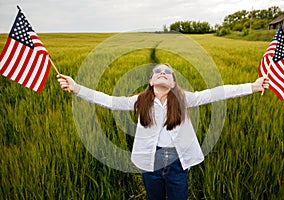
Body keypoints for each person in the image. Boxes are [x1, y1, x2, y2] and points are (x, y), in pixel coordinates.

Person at [57, 63, 269, 200]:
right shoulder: (140, 102)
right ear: (150, 81)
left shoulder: (184, 99)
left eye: (168, 72)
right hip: (150, 162)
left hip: (178, 162)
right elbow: (110, 101)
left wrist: (253, 86)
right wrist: (77, 88)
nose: (162, 73)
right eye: (157, 71)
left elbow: (217, 93)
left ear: (174, 82)